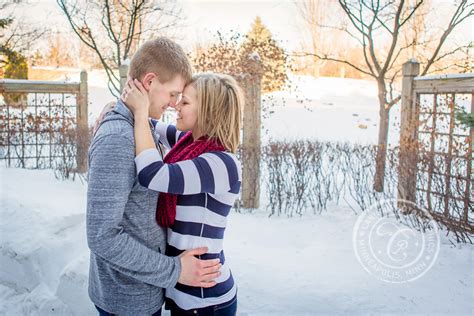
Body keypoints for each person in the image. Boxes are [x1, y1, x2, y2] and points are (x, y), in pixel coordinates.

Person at [87, 38, 222, 316]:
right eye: (173, 94)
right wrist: (174, 270)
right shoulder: (118, 138)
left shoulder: (140, 128)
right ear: (149, 82)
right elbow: (102, 236)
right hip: (126, 300)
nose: (174, 104)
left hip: (145, 291)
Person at [121, 72, 243, 315]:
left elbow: (153, 175)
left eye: (185, 102)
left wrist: (140, 112)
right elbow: (151, 127)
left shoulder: (221, 164)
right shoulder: (189, 143)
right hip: (183, 291)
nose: (176, 106)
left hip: (207, 300)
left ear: (209, 111)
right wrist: (122, 108)